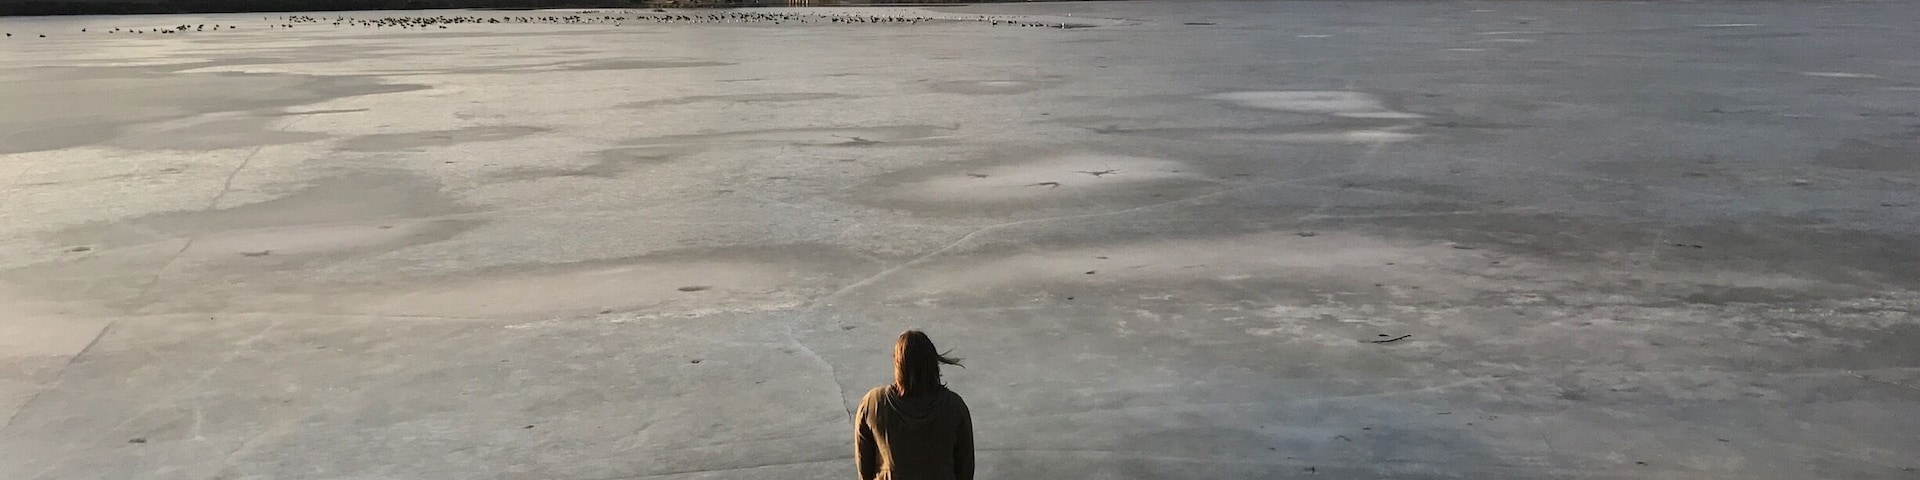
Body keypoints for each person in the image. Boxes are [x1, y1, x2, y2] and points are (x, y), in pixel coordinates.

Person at [855, 330, 974, 480]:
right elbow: (965, 469)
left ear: (898, 364)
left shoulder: (873, 404)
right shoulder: (954, 407)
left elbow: (864, 467)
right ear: (933, 363)